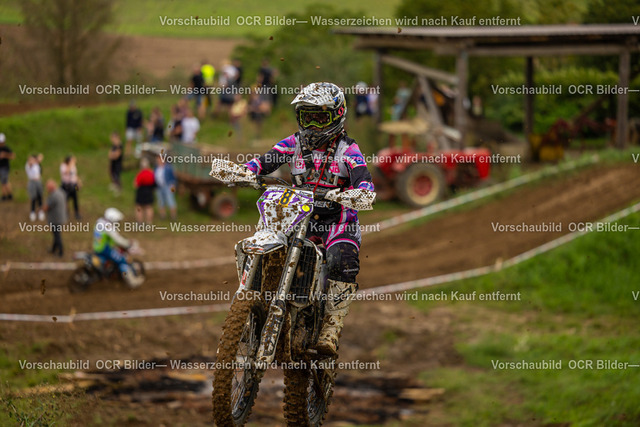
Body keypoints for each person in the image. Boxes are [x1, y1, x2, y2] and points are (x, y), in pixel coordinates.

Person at [244, 82, 376, 356]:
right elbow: (264, 162)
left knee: (341, 259)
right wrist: (245, 172)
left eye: (320, 117)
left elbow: (363, 179)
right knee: (270, 242)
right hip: (299, 216)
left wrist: (361, 192)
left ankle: (330, 328)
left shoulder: (348, 149)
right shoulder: (292, 143)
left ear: (337, 116)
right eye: (308, 117)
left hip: (337, 221)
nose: (313, 125)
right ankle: (253, 304)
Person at [93, 207, 143, 287]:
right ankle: (130, 280)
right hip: (105, 249)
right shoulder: (108, 227)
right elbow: (118, 239)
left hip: (97, 247)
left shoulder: (100, 221)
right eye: (117, 221)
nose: (117, 223)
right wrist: (127, 243)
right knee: (122, 260)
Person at [43, 179, 67, 257]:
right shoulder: (61, 192)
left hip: (55, 219)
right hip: (61, 217)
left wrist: (41, 209)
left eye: (47, 188)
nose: (47, 189)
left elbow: (46, 207)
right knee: (56, 234)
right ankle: (53, 249)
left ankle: (61, 251)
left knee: (57, 235)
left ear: (51, 188)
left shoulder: (53, 196)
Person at [154, 154, 177, 219]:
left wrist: (173, 188)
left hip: (168, 186)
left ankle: (173, 216)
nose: (158, 160)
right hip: (159, 186)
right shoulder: (156, 168)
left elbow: (173, 178)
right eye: (158, 159)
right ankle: (162, 215)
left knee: (170, 200)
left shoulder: (168, 168)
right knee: (161, 201)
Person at [134, 158, 155, 223]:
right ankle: (149, 222)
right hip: (149, 191)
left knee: (139, 207)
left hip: (141, 192)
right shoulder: (151, 173)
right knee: (149, 207)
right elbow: (154, 183)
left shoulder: (140, 174)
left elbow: (136, 184)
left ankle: (139, 222)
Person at [60, 155, 81, 220]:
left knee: (75, 198)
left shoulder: (73, 166)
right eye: (72, 160)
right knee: (65, 200)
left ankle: (77, 213)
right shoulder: (63, 166)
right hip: (66, 186)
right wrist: (70, 165)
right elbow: (66, 172)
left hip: (74, 185)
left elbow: (75, 175)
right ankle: (66, 213)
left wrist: (79, 182)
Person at [25, 154, 45, 221]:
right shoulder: (28, 165)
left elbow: (41, 157)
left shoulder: (37, 165)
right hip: (32, 182)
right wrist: (35, 160)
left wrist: (37, 159)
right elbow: (31, 163)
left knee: (40, 197)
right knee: (33, 197)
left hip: (38, 181)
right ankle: (32, 212)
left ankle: (40, 211)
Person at [0, 133, 16, 201]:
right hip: (1, 167)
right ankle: (9, 195)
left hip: (4, 167)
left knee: (4, 181)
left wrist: (5, 155)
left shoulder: (6, 148)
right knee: (4, 181)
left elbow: (13, 156)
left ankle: (4, 196)